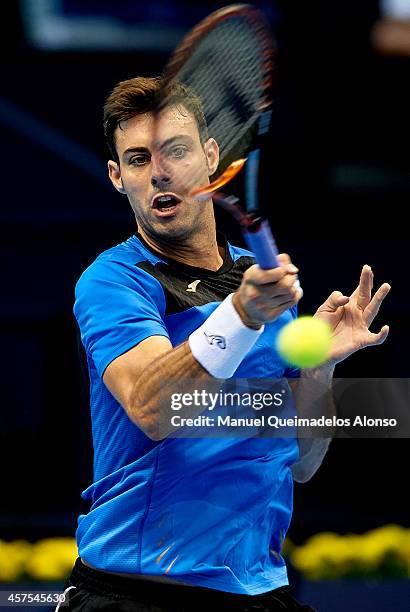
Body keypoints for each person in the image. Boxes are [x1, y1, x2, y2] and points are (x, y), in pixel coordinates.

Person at [63, 77, 391, 611]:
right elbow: (153, 408)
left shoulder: (260, 282)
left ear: (212, 157)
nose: (160, 171)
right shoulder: (116, 281)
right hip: (142, 592)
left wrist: (321, 371)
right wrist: (240, 315)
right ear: (118, 178)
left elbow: (303, 462)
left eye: (176, 150)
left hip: (259, 588)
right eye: (139, 159)